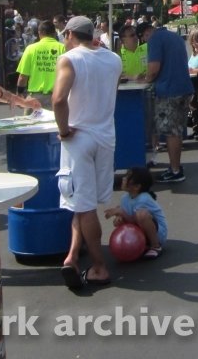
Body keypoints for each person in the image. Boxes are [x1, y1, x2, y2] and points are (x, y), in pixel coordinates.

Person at [52, 16, 122, 288]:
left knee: (84, 205)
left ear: (69, 33)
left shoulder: (70, 59)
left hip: (79, 137)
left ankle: (99, 267)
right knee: (82, 203)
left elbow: (59, 100)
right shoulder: (113, 59)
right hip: (105, 136)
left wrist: (65, 131)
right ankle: (71, 256)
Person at [139, 21, 194, 183]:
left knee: (171, 131)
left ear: (145, 34)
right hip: (184, 87)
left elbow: (154, 68)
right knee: (177, 129)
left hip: (169, 90)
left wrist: (146, 80)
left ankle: (175, 170)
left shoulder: (155, 40)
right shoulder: (174, 36)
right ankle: (175, 166)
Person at [105, 166, 167, 259]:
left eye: (127, 178)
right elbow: (124, 219)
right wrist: (119, 218)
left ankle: (156, 247)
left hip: (158, 234)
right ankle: (137, 246)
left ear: (137, 186)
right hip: (140, 232)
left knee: (141, 214)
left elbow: (135, 220)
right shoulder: (125, 198)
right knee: (120, 209)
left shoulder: (144, 198)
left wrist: (120, 212)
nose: (123, 178)